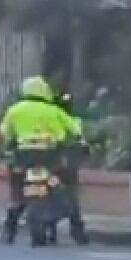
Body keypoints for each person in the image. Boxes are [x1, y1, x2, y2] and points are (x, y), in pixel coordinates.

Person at [0, 76, 83, 244]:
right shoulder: (54, 111)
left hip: (24, 158)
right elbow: (75, 131)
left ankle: (9, 231)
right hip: (50, 158)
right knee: (69, 189)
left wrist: (8, 147)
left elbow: (4, 134)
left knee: (16, 194)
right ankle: (77, 230)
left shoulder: (15, 110)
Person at [51, 88, 90, 245]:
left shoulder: (50, 116)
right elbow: (80, 141)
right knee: (71, 196)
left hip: (52, 163)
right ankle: (77, 231)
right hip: (65, 165)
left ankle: (53, 228)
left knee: (53, 193)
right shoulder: (73, 121)